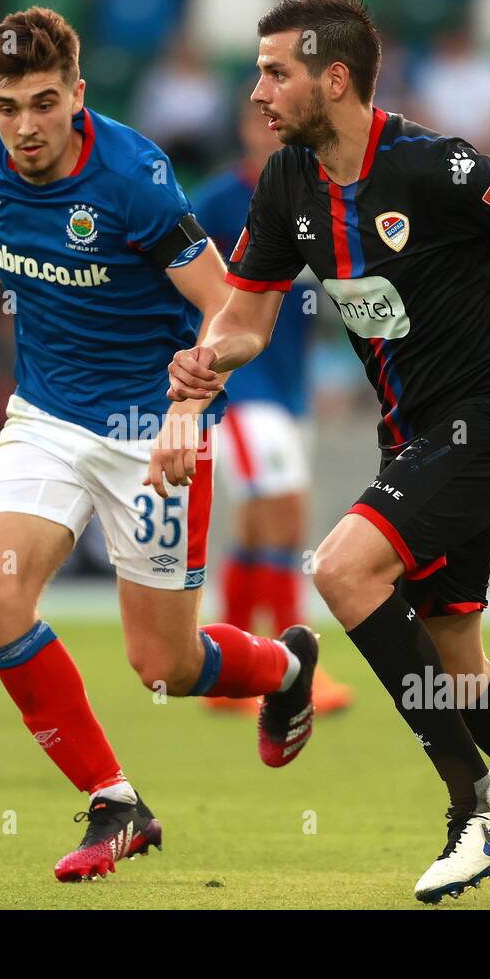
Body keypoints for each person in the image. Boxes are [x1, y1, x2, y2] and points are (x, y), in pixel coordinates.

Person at [160, 0, 490, 902]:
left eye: (276, 72)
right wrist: (208, 360)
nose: (257, 92)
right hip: (417, 435)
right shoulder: (285, 182)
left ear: (336, 77)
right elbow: (246, 315)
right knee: (456, 667)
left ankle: (476, 803)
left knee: (344, 570)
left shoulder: (439, 167)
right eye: (257, 71)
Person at [0, 7, 319, 883]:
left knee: (167, 666)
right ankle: (117, 802)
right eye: (7, 106)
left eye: (45, 103)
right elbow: (2, 229)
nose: (26, 127)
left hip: (149, 429)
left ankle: (287, 664)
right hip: (43, 417)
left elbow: (228, 306)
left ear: (79, 94)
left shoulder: (136, 181)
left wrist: (190, 408)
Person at [190, 94, 352, 717]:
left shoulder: (314, 195)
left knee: (263, 524)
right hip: (241, 385)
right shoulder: (219, 201)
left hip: (289, 389)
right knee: (286, 515)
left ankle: (230, 669)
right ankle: (296, 671)